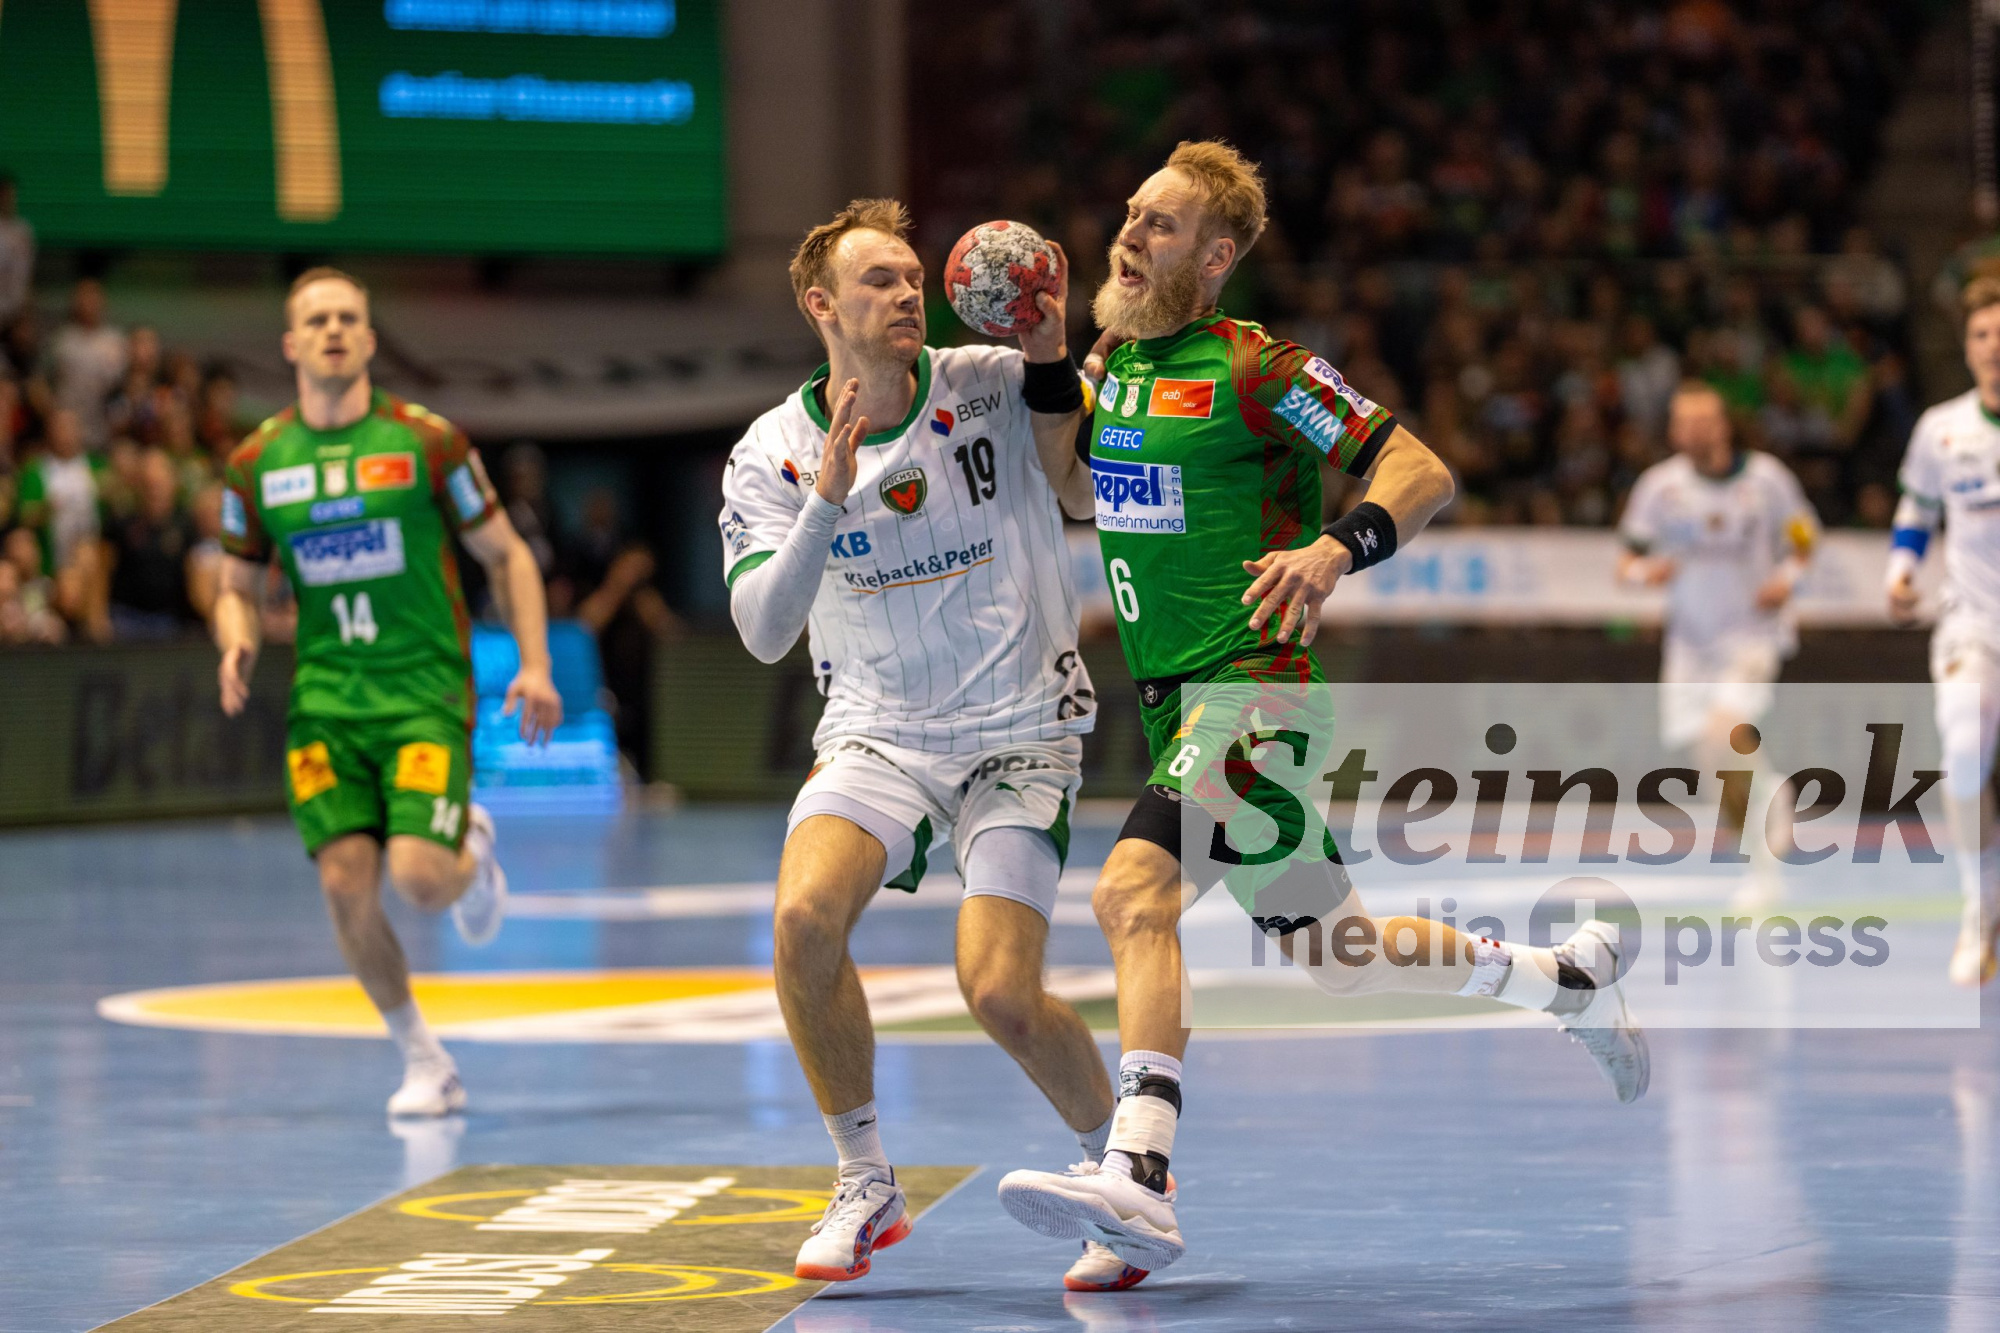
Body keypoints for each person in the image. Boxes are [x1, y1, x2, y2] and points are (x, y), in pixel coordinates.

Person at [996, 141, 1650, 1279]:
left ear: (1216, 258)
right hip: (1181, 710)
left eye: (1159, 224)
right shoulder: (1119, 366)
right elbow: (1072, 487)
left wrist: (1335, 547)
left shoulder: (1257, 365)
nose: (1129, 234)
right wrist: (1050, 358)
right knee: (1344, 951)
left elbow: (1420, 470)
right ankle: (1568, 981)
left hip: (1257, 696)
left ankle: (1137, 1173)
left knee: (1131, 891)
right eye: (1131, 213)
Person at [717, 199, 1114, 1285]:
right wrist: (824, 503)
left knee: (1000, 993)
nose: (906, 294)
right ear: (821, 305)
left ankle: (1124, 1171)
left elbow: (1082, 492)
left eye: (910, 276)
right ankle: (864, 1178)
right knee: (801, 918)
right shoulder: (770, 451)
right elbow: (763, 632)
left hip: (1019, 734)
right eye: (879, 280)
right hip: (878, 733)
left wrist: (1052, 357)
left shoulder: (992, 380)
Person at [212, 267, 563, 1116]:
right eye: (316, 320)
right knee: (344, 880)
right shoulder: (256, 462)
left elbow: (507, 554)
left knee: (420, 877)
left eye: (348, 318)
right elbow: (235, 583)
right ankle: (423, 1059)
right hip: (326, 702)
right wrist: (237, 637)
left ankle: (470, 859)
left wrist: (536, 663)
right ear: (291, 344)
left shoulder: (427, 442)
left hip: (421, 690)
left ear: (370, 339)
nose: (333, 330)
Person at [1618, 381, 1819, 906]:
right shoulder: (1659, 488)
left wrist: (1788, 579)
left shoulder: (1767, 480)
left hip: (1751, 634)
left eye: (1703, 421)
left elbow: (1805, 539)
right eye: (1683, 423)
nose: (1693, 432)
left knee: (1722, 733)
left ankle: (1767, 812)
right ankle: (1762, 848)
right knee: (1713, 765)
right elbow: (1626, 560)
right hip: (1689, 645)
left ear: (1724, 425)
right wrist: (1645, 573)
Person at [1886, 276, 2000, 986]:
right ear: (1966, 348)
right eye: (1982, 334)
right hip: (1973, 620)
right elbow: (1917, 508)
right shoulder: (1941, 428)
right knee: (1962, 745)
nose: (1994, 346)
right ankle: (1978, 908)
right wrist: (1901, 569)